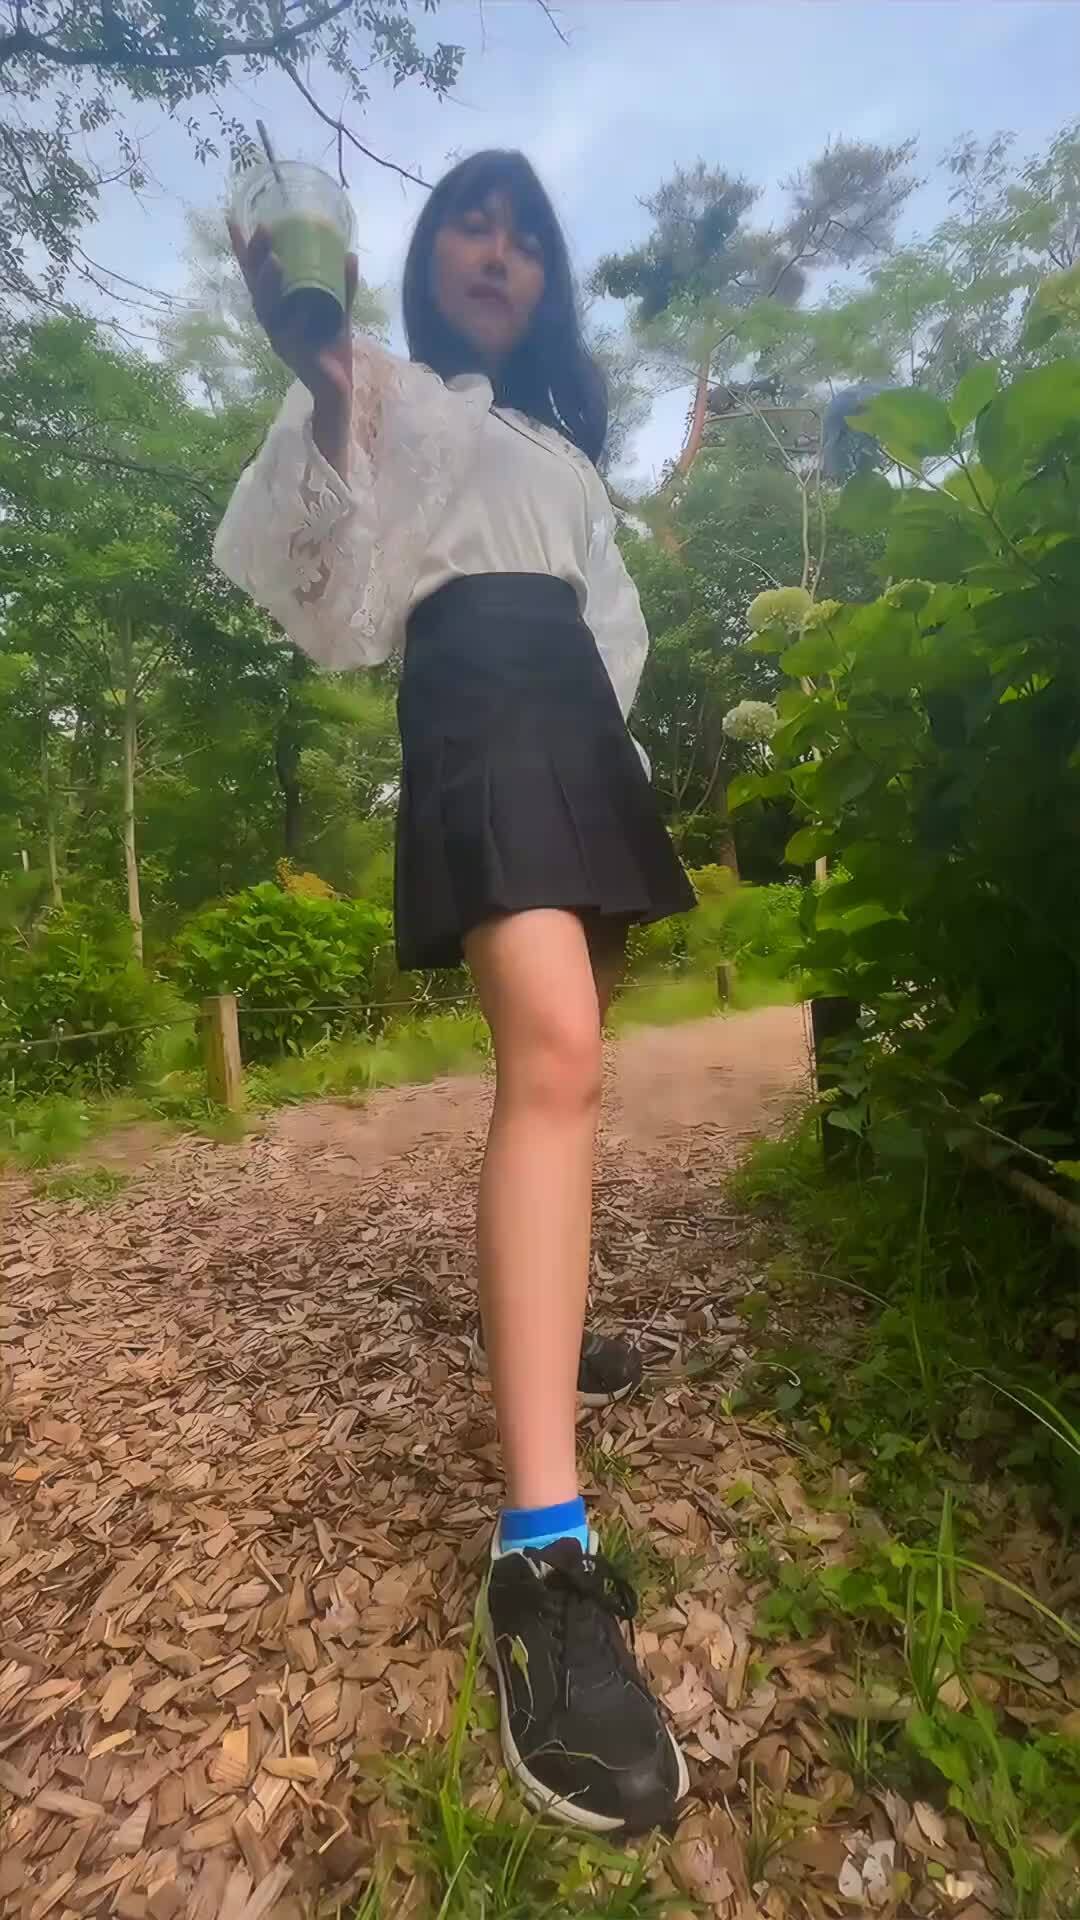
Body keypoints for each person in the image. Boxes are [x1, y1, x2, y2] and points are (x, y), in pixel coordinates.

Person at [216, 148, 694, 1835]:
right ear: (423, 263)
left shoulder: (564, 449)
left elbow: (615, 629)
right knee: (552, 1054)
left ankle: (550, 1334)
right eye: (470, 228)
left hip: (582, 723)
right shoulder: (389, 392)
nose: (498, 252)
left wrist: (623, 775)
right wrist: (317, 363)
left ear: (549, 277)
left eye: (525, 235)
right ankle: (539, 1558)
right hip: (478, 707)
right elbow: (331, 600)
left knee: (576, 1064)